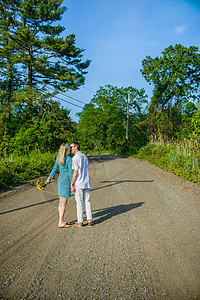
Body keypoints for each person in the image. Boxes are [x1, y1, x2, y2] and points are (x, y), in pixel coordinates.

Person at [45, 143, 73, 228]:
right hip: (66, 180)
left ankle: (61, 220)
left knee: (61, 202)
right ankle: (60, 221)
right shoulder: (69, 159)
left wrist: (49, 178)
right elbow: (71, 173)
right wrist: (72, 183)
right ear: (65, 150)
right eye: (68, 149)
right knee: (64, 203)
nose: (70, 150)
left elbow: (54, 169)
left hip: (60, 180)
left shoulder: (58, 158)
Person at [70, 142, 93, 228]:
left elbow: (75, 172)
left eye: (71, 147)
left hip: (79, 182)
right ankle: (90, 220)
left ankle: (80, 221)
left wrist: (72, 183)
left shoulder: (75, 158)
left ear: (76, 147)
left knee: (79, 202)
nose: (70, 149)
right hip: (86, 181)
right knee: (87, 201)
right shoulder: (84, 156)